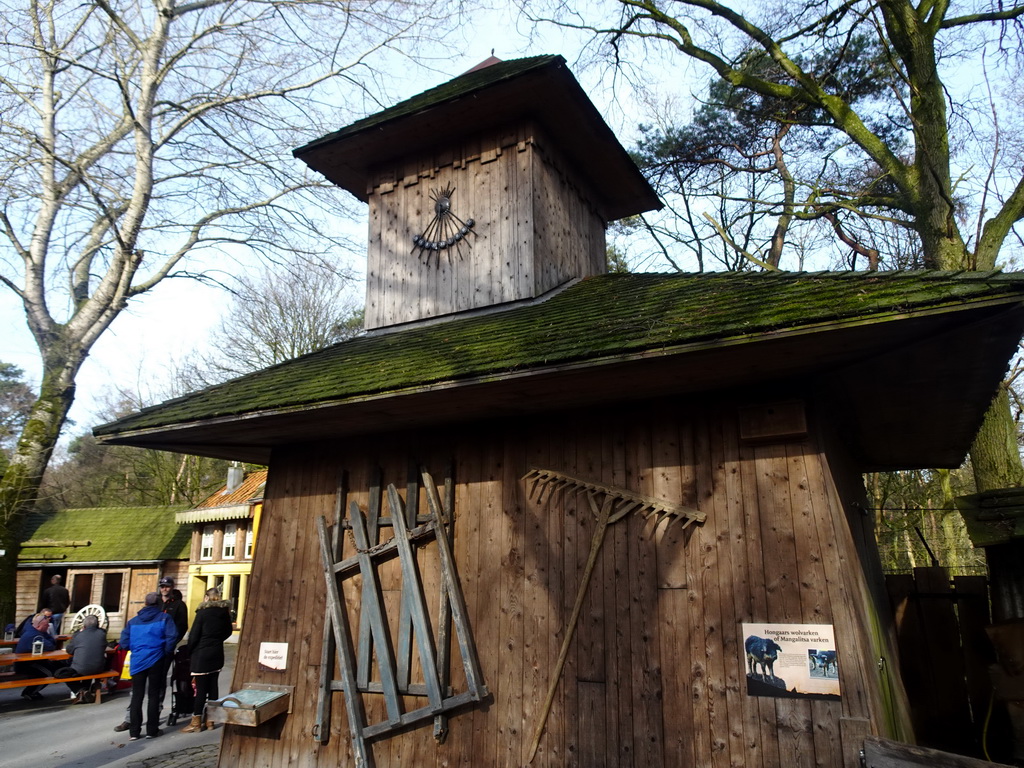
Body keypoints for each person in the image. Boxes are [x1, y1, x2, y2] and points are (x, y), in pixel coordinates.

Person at [113, 575, 189, 732]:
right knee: (138, 690)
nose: (164, 589)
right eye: (162, 586)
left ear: (172, 587)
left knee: (157, 687)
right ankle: (131, 720)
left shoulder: (179, 605)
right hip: (144, 651)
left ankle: (152, 719)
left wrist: (169, 647)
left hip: (163, 651)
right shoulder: (155, 604)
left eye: (167, 586)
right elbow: (130, 634)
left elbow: (180, 628)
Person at [119, 593, 176, 740]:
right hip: (156, 658)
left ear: (145, 603)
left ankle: (134, 732)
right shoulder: (165, 618)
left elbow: (124, 643)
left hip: (137, 660)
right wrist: (166, 651)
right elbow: (172, 637)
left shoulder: (133, 621)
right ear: (158, 604)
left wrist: (137, 648)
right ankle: (152, 730)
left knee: (137, 696)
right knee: (154, 695)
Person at [182, 588, 233, 732]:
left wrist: (190, 650)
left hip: (201, 654)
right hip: (216, 653)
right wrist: (217, 640)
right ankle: (211, 720)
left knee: (201, 689)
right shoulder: (224, 613)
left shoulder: (202, 613)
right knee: (213, 687)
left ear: (207, 598)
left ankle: (196, 721)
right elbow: (228, 631)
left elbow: (194, 636)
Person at [56, 614, 108, 704]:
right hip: (99, 668)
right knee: (87, 664)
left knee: (61, 673)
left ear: (84, 625)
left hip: (82, 669)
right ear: (98, 624)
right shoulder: (102, 635)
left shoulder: (78, 635)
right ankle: (85, 692)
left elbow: (69, 650)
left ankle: (80, 690)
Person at [14, 613, 57, 699]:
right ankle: (30, 692)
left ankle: (32, 691)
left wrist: (45, 634)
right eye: (46, 625)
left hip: (31, 662)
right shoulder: (34, 635)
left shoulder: (34, 631)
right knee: (49, 673)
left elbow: (50, 644)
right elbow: (51, 645)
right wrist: (47, 635)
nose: (48, 626)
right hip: (25, 665)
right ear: (39, 626)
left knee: (53, 667)